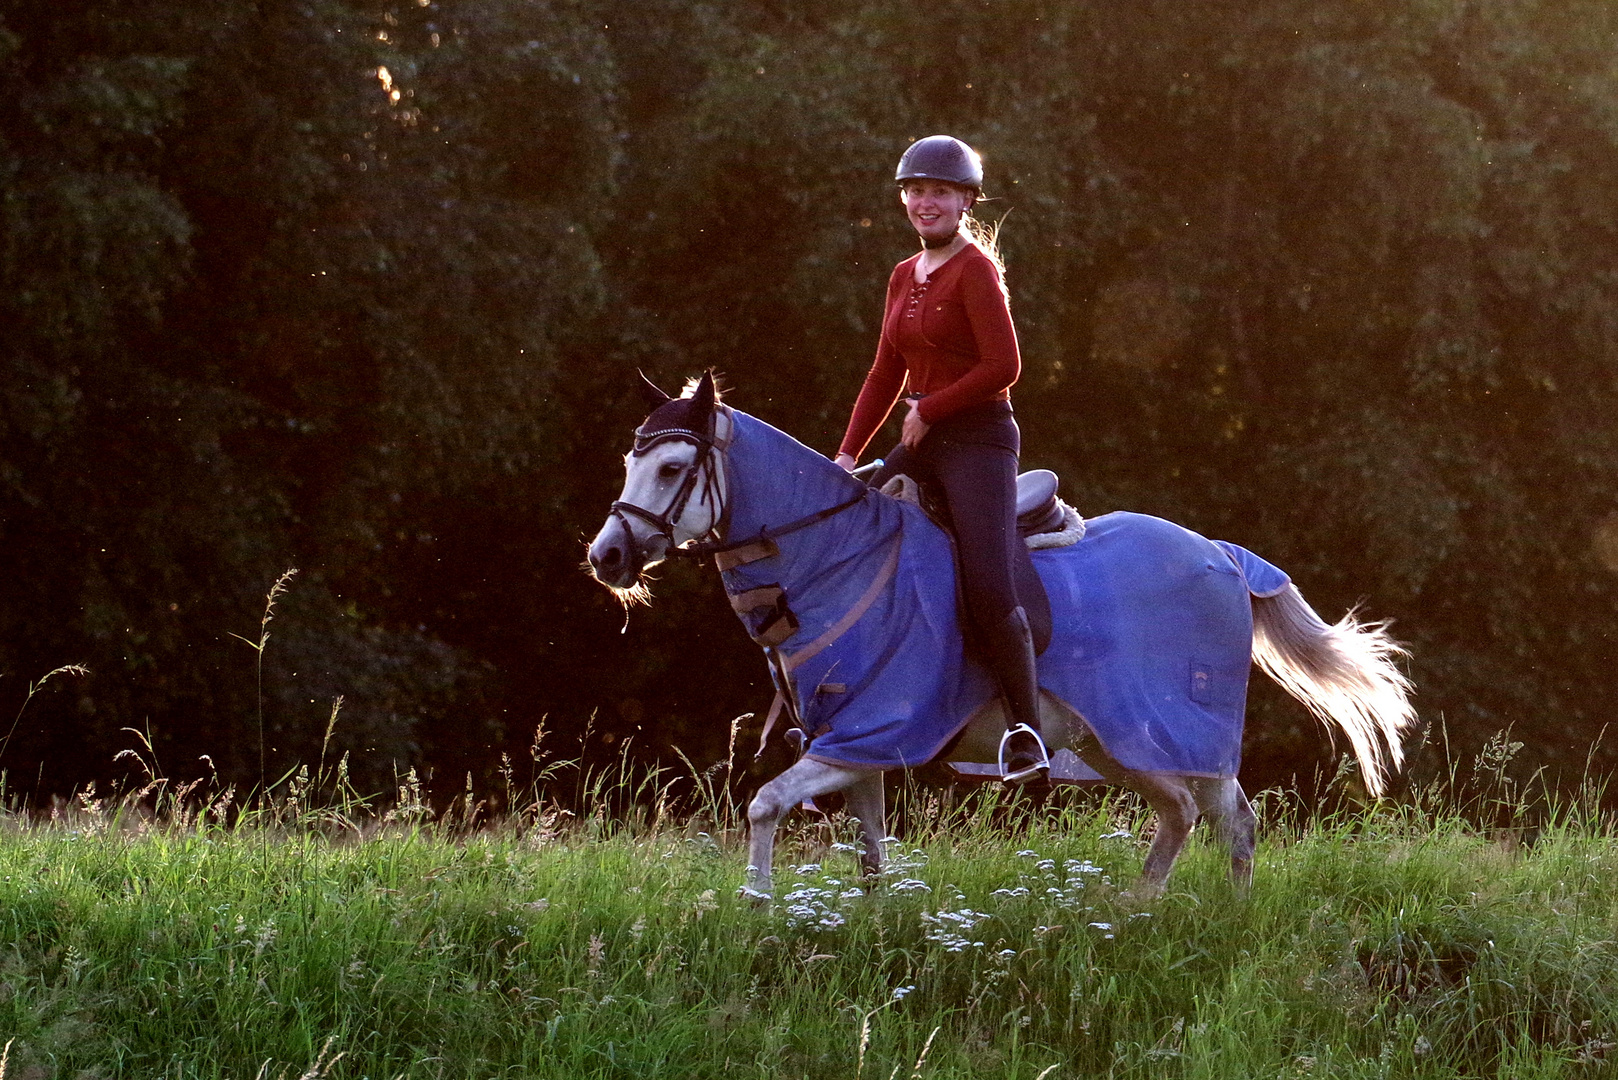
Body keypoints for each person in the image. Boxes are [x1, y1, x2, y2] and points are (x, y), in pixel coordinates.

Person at [834, 135, 1049, 784]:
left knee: (987, 584)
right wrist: (846, 455)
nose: (926, 202)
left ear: (964, 203)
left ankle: (1026, 732)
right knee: (853, 546)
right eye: (916, 191)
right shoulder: (904, 274)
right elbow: (882, 374)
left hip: (979, 441)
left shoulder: (975, 270)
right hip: (926, 440)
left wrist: (931, 409)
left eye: (941, 193)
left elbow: (1005, 367)